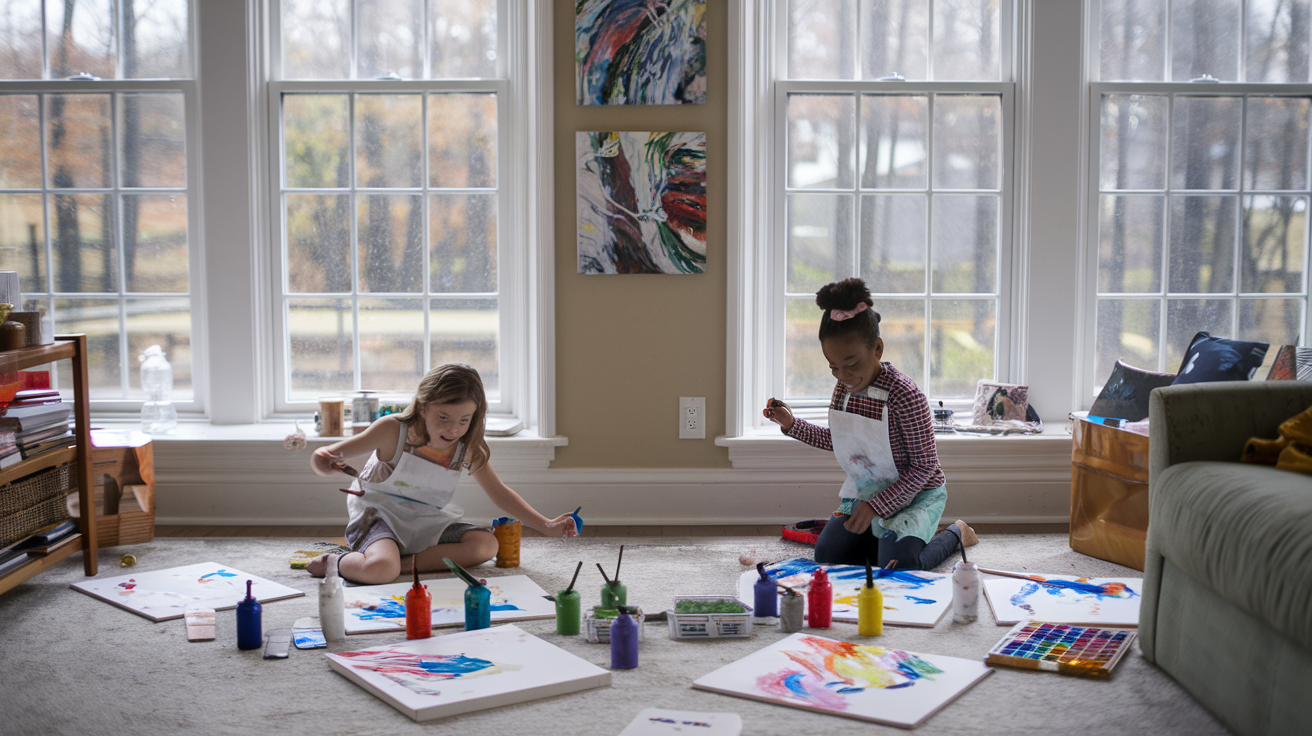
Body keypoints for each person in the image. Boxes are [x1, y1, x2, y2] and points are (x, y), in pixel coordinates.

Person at [764, 278, 977, 570]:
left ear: (877, 349)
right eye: (833, 367)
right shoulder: (844, 389)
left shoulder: (905, 395)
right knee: (828, 555)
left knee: (896, 565)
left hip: (915, 493)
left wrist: (877, 506)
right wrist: (791, 424)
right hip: (868, 490)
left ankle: (956, 533)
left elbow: (924, 467)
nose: (843, 376)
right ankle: (884, 540)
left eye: (851, 365)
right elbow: (840, 442)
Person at [307, 364, 577, 584]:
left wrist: (546, 525)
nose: (453, 429)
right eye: (443, 417)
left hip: (425, 520)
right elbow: (326, 455)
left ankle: (399, 565)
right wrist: (325, 463)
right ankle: (338, 562)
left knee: (486, 545)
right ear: (423, 407)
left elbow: (500, 494)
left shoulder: (467, 448)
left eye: (464, 420)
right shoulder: (393, 430)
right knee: (380, 571)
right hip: (379, 518)